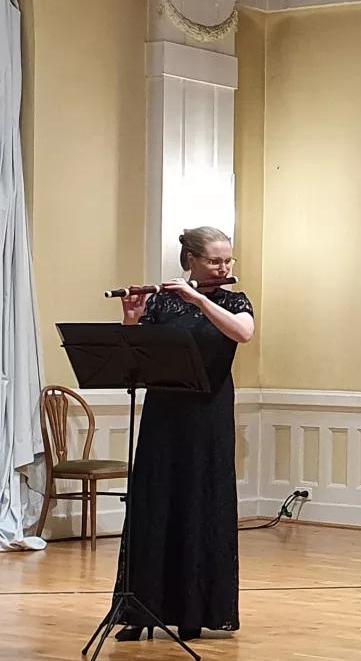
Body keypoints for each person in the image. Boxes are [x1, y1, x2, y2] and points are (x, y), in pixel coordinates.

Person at [113, 226, 254, 642]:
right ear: (190, 260)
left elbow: (243, 333)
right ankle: (139, 609)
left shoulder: (233, 299)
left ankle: (194, 611)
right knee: (154, 505)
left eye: (227, 259)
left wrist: (198, 299)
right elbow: (135, 358)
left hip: (207, 416)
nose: (224, 267)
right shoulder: (162, 303)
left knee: (199, 503)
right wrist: (133, 318)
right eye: (214, 260)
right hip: (164, 414)